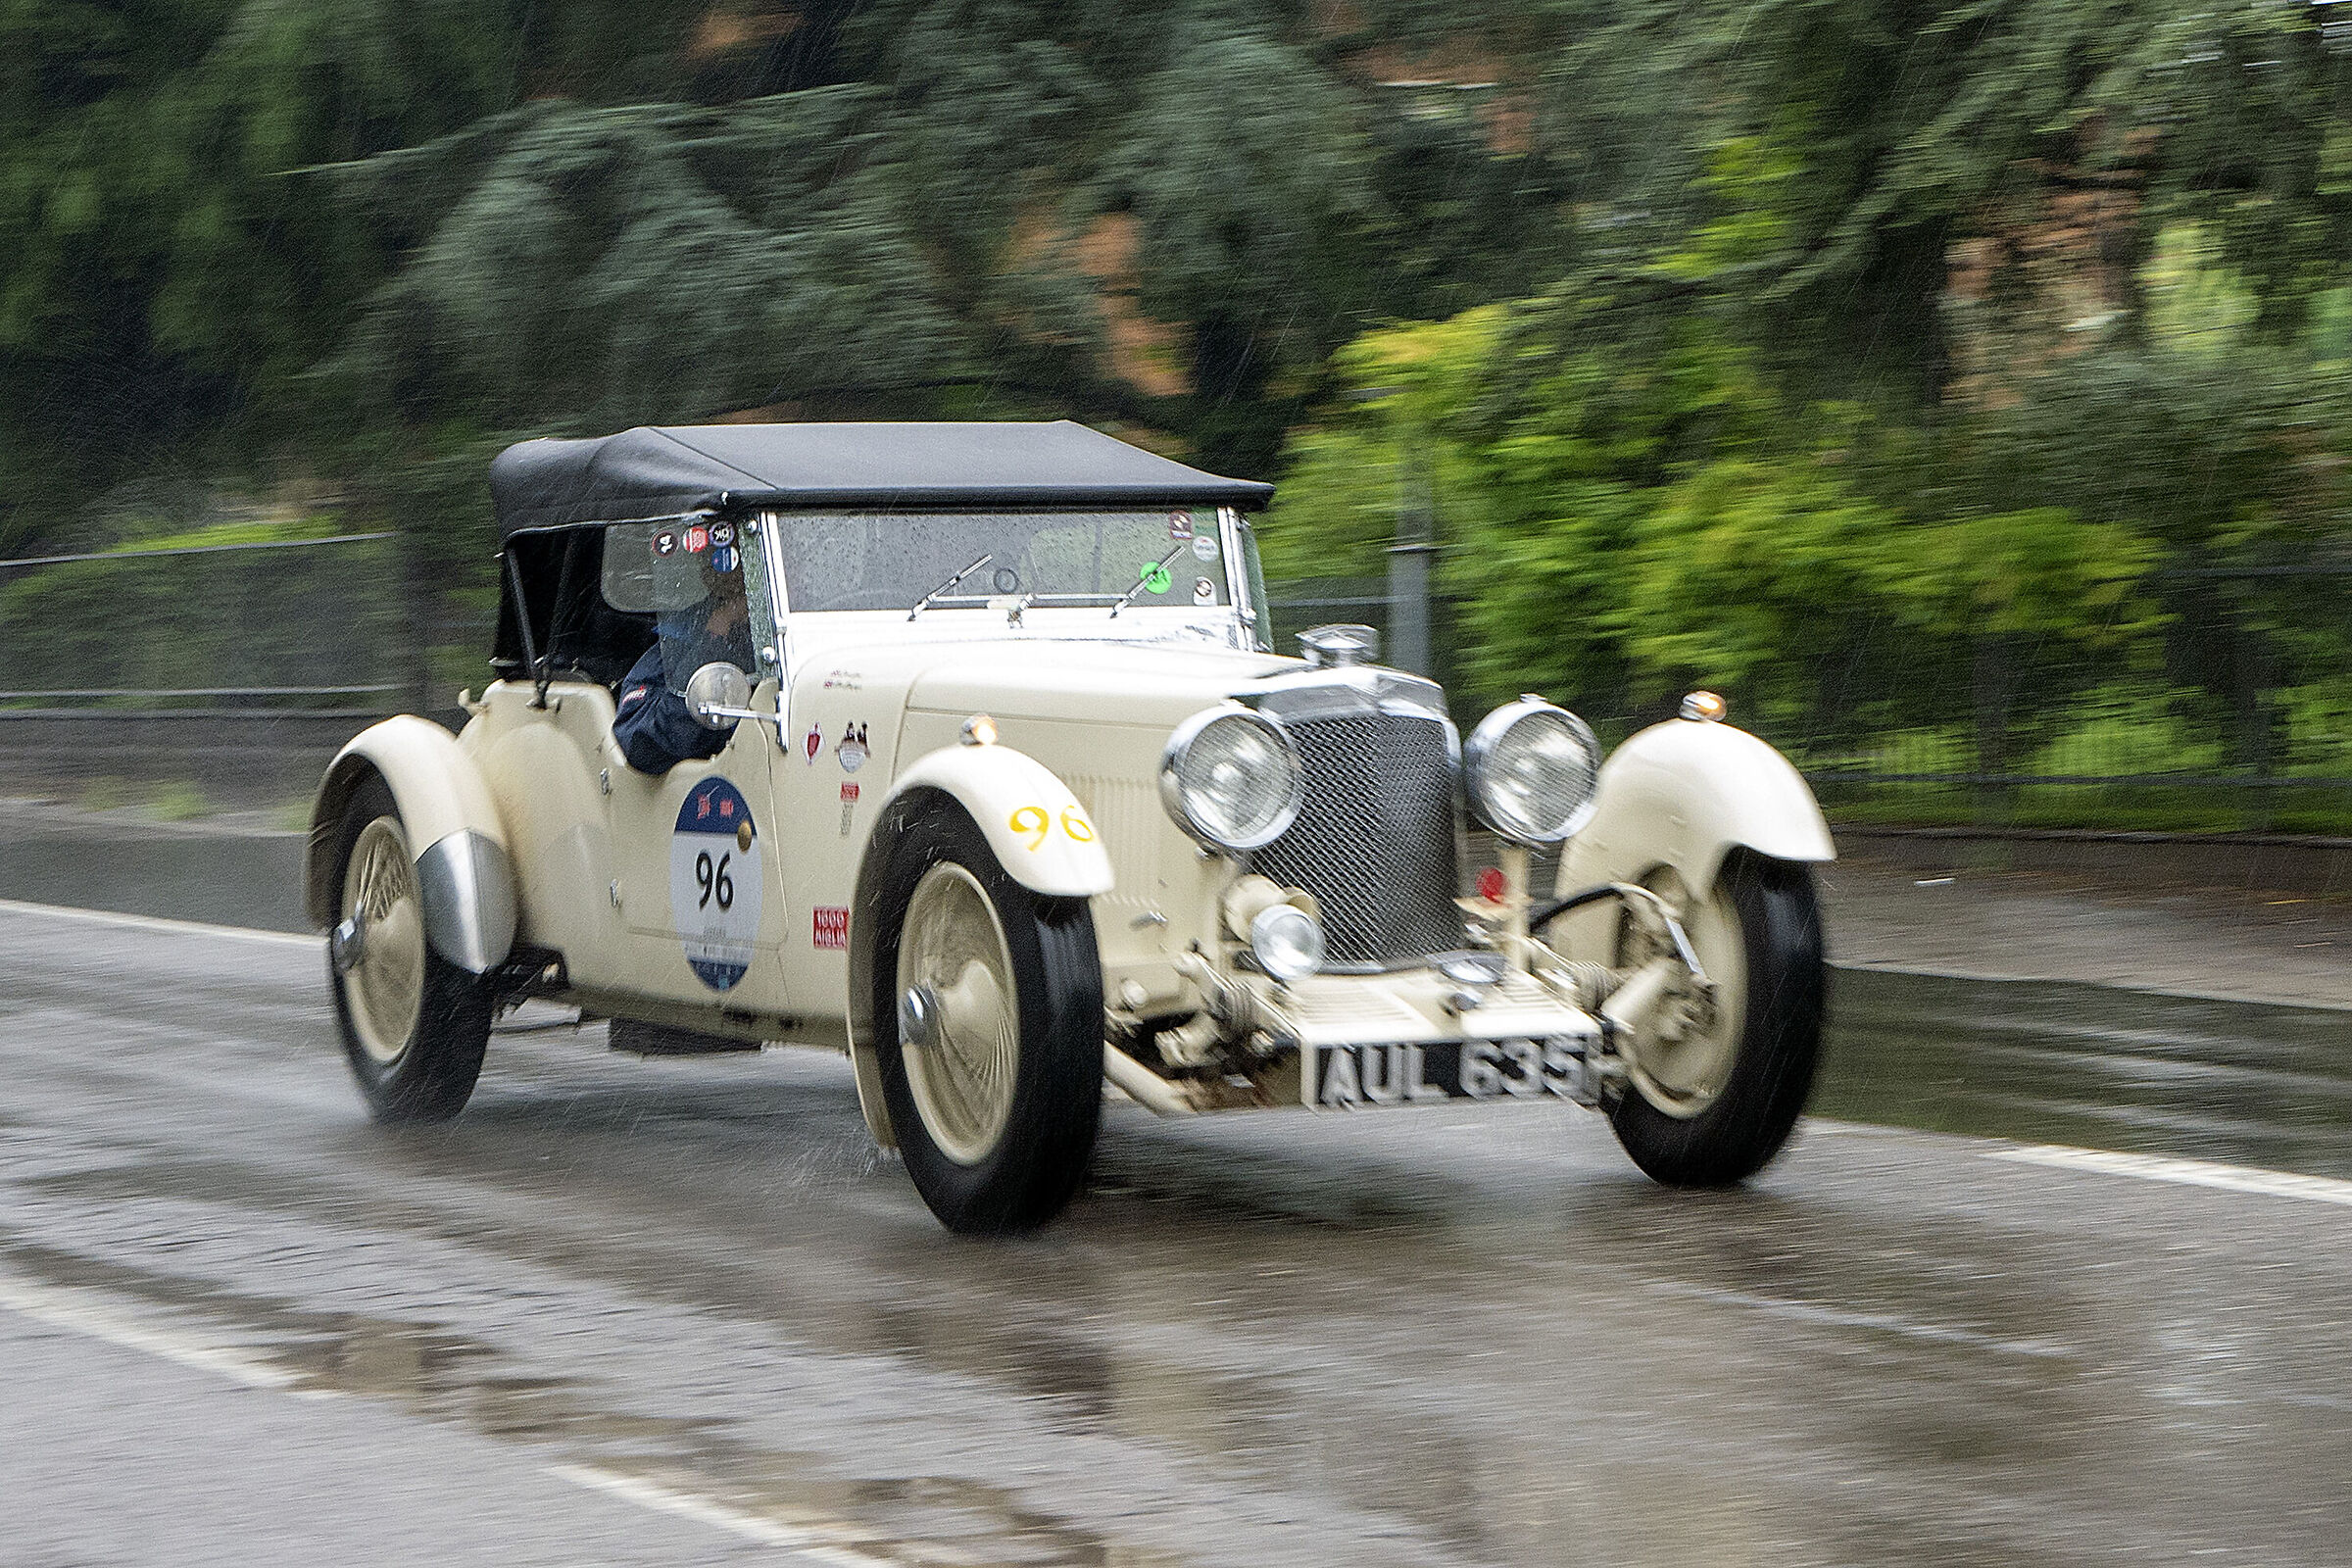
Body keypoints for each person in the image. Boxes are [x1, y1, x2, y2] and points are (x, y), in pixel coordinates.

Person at [612, 563, 755, 775]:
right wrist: (716, 638)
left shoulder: (799, 639)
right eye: (716, 556)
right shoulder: (680, 634)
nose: (717, 564)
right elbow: (641, 744)